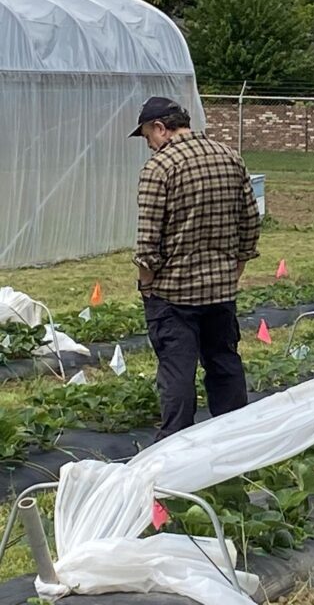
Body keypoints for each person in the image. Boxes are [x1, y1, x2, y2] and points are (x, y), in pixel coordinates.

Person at [130, 96, 261, 440]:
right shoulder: (229, 156)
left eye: (147, 137)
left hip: (173, 294)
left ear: (161, 128)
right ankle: (234, 438)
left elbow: (148, 242)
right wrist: (238, 266)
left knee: (177, 371)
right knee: (224, 361)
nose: (149, 146)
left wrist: (146, 286)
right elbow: (250, 220)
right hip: (220, 290)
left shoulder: (159, 168)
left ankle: (174, 446)